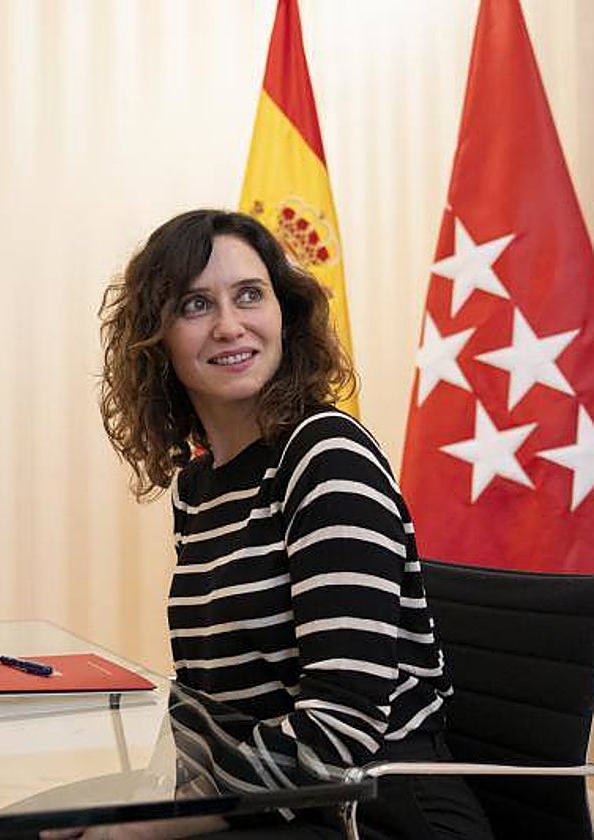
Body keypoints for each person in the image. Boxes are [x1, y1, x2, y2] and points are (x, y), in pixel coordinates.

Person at [95, 210, 491, 838]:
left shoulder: (326, 455)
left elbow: (340, 726)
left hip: (376, 809)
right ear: (158, 340)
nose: (230, 325)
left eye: (249, 295)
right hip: (276, 806)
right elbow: (212, 710)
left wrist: (153, 826)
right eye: (196, 305)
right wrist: (129, 802)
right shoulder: (197, 491)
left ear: (285, 314)